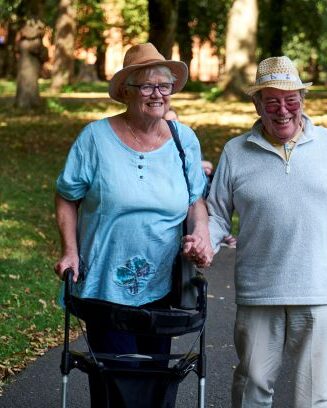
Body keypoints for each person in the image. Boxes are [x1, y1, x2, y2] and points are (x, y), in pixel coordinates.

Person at [191, 55, 327, 407]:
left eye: (291, 100)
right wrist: (204, 243)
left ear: (303, 101)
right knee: (252, 385)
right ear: (257, 104)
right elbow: (216, 215)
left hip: (317, 288)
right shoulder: (236, 151)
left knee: (315, 395)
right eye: (271, 101)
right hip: (260, 289)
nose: (282, 110)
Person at [53, 42, 213, 406]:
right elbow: (66, 194)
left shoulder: (183, 140)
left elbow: (195, 200)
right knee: (119, 385)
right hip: (103, 284)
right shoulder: (94, 139)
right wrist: (70, 251)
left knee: (157, 381)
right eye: (147, 86)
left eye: (164, 86)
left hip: (165, 288)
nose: (157, 94)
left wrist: (201, 233)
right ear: (126, 90)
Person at [164, 107, 237, 249]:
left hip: (200, 189)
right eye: (168, 121)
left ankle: (213, 234)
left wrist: (202, 166)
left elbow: (205, 167)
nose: (172, 124)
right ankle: (215, 236)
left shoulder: (185, 141)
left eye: (174, 120)